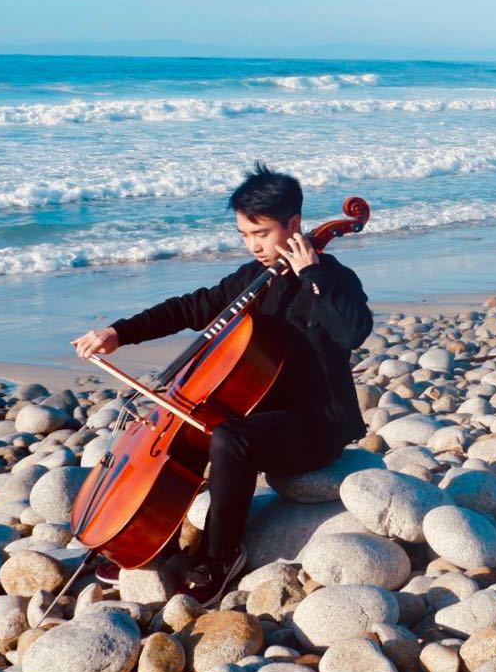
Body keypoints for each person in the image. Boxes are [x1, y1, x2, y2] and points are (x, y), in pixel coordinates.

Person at [71, 163, 372, 605]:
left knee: (230, 439)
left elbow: (354, 332)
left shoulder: (333, 278)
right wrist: (118, 332)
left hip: (317, 421)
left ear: (294, 225)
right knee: (197, 432)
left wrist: (313, 277)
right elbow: (190, 308)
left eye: (262, 234)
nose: (254, 246)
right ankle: (154, 538)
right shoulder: (253, 279)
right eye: (245, 236)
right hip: (262, 414)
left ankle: (221, 556)